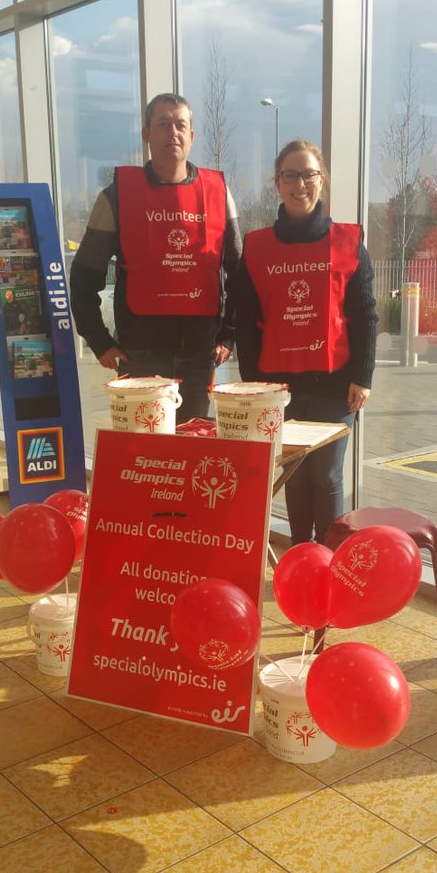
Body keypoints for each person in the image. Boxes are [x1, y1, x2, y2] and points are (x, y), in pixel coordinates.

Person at [235, 138, 377, 545]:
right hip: (280, 388)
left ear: (322, 181)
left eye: (309, 174)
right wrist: (255, 387)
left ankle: (328, 563)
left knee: (328, 476)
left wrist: (363, 376)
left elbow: (365, 313)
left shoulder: (348, 242)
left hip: (336, 386)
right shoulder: (257, 246)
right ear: (277, 183)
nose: (300, 184)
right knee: (294, 475)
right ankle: (300, 556)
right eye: (290, 175)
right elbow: (245, 320)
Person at [69, 93, 242, 422]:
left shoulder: (218, 193)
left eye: (180, 125)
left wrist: (228, 334)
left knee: (192, 446)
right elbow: (83, 276)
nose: (172, 132)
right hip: (140, 354)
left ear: (191, 136)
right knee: (146, 451)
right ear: (147, 134)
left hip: (199, 354)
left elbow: (238, 273)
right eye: (163, 124)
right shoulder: (117, 195)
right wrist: (99, 340)